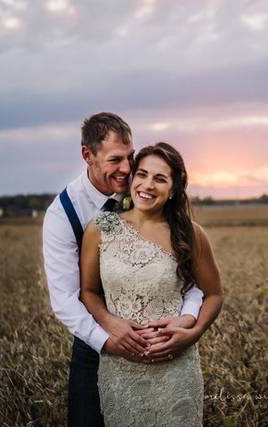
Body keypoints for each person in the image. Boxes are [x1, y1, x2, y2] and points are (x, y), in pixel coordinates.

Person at [42, 112, 205, 426]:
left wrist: (187, 322)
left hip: (163, 342)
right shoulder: (64, 215)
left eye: (130, 157)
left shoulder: (142, 190)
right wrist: (108, 337)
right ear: (87, 155)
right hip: (95, 340)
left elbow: (188, 276)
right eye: (116, 159)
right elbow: (66, 298)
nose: (128, 169)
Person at [80, 142, 223, 425]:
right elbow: (89, 291)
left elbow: (214, 295)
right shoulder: (102, 226)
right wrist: (110, 322)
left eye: (160, 178)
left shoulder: (190, 234)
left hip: (176, 370)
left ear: (173, 189)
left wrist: (193, 333)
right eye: (142, 174)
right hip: (121, 370)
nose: (147, 185)